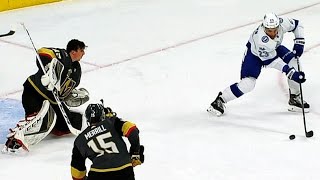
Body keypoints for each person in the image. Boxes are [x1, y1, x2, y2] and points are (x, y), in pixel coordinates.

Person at [207, 13, 308, 116]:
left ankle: (294, 98)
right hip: (254, 56)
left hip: (273, 49)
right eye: (269, 31)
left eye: (275, 30)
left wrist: (299, 41)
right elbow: (272, 61)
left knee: (294, 61)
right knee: (248, 84)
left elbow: (297, 25)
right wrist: (290, 72)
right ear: (264, 28)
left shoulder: (282, 23)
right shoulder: (261, 40)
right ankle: (220, 100)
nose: (273, 33)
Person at [3, 39, 89, 153]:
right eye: (82, 50)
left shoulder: (76, 70)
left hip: (52, 101)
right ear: (73, 51)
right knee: (39, 119)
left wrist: (71, 95)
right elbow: (42, 52)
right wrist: (49, 69)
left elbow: (64, 91)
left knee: (70, 125)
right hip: (34, 92)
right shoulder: (61, 55)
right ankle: (15, 140)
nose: (84, 53)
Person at [71, 102, 144, 180]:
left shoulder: (80, 140)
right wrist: (135, 152)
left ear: (87, 119)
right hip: (124, 171)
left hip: (98, 174)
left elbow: (76, 173)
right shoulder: (112, 122)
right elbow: (132, 130)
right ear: (103, 115)